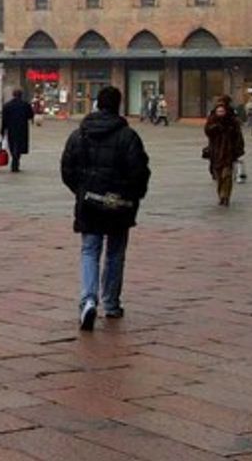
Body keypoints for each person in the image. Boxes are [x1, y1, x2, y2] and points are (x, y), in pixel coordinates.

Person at [60, 85, 150, 331]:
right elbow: (140, 171)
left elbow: (67, 169)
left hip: (89, 202)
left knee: (89, 250)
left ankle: (88, 300)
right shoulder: (128, 136)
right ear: (118, 105)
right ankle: (111, 303)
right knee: (115, 252)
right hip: (119, 204)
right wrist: (133, 195)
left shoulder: (80, 134)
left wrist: (81, 191)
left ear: (97, 104)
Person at [203, 96, 244, 207]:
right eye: (219, 111)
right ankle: (221, 194)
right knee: (218, 176)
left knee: (227, 175)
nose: (220, 112)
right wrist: (215, 127)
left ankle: (225, 196)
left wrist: (238, 150)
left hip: (228, 152)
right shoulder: (212, 120)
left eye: (222, 110)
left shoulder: (232, 121)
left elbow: (238, 137)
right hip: (215, 153)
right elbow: (207, 131)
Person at [0, 88, 34, 172]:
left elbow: (4, 120)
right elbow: (30, 115)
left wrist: (2, 131)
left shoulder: (7, 105)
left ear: (13, 95)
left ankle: (14, 158)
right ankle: (16, 160)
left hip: (11, 129)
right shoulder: (25, 105)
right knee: (19, 145)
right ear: (21, 95)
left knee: (12, 144)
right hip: (22, 128)